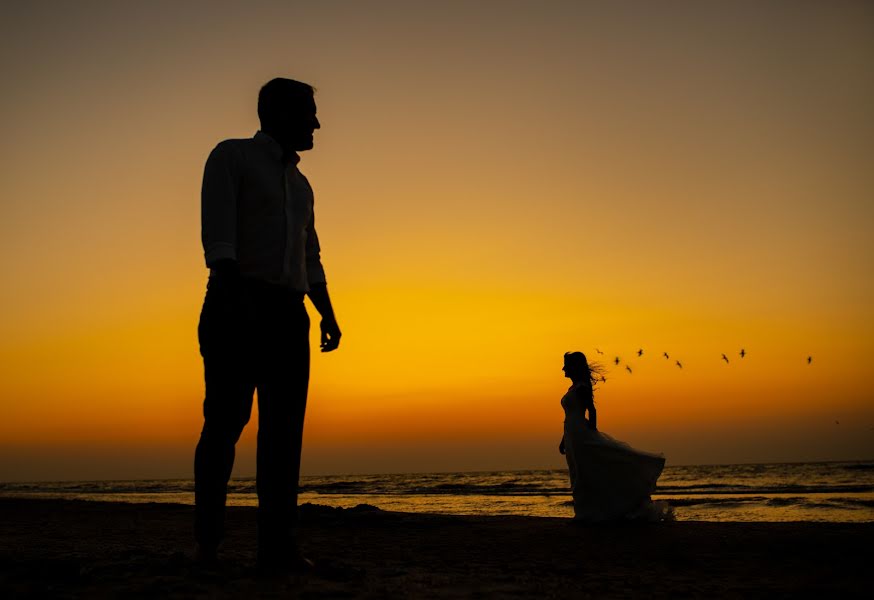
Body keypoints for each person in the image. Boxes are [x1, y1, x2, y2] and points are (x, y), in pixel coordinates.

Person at [193, 77, 341, 571]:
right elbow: (219, 239)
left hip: (288, 314)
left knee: (283, 436)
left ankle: (277, 548)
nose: (317, 123)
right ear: (280, 113)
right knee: (225, 424)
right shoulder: (231, 157)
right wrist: (237, 299)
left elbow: (310, 254)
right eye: (310, 113)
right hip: (237, 303)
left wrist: (326, 313)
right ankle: (208, 544)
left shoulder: (301, 186)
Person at [558, 351, 670, 522]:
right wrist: (563, 439)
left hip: (580, 435)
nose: (563, 369)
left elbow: (592, 411)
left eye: (566, 365)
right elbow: (568, 418)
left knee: (584, 472)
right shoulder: (573, 388)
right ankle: (584, 511)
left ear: (574, 367)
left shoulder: (582, 388)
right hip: (572, 435)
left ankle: (587, 513)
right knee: (577, 472)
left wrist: (591, 430)